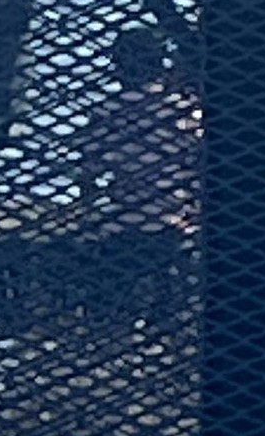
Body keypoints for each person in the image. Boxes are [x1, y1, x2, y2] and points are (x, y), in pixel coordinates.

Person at [75, 22, 199, 328]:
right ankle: (166, 315)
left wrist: (89, 219)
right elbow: (197, 170)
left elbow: (89, 176)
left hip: (121, 224)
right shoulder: (182, 113)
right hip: (171, 224)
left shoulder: (106, 113)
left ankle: (111, 318)